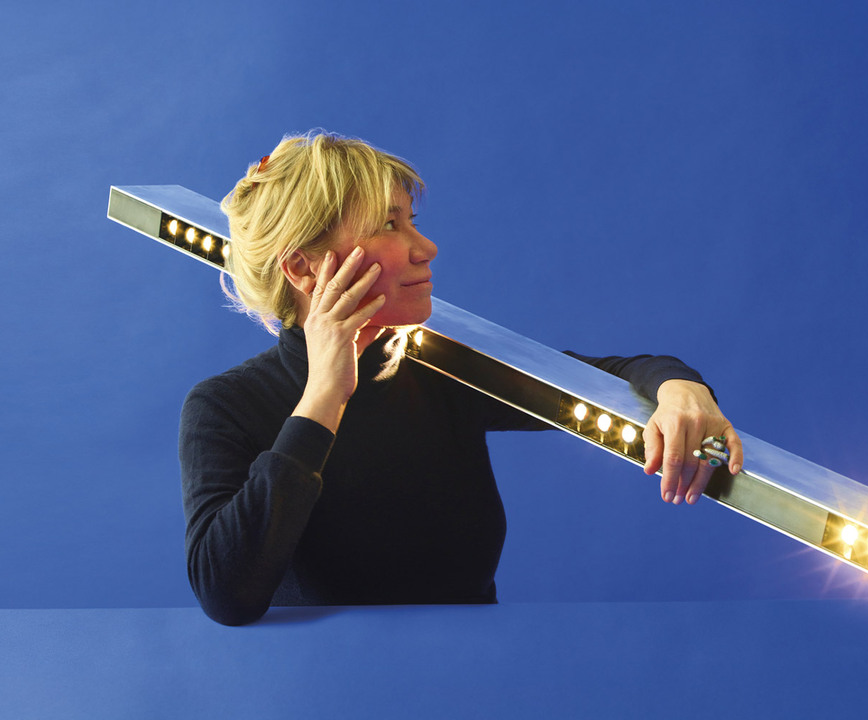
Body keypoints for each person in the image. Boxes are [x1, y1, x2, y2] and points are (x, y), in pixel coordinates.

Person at [179, 131, 744, 626]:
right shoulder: (225, 406)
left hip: (477, 680)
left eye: (412, 221)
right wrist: (325, 395)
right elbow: (228, 594)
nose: (426, 249)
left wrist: (682, 390)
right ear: (304, 267)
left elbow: (612, 375)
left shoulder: (443, 372)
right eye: (389, 225)